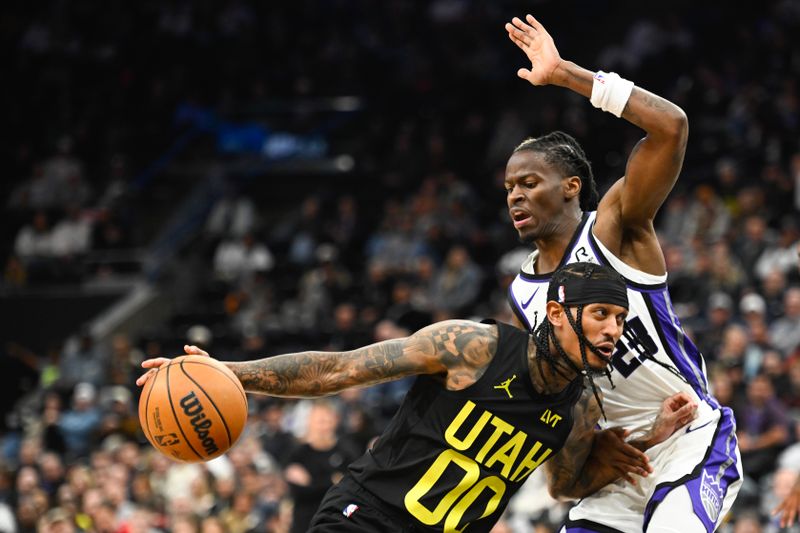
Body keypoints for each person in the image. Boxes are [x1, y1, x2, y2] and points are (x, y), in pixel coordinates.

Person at [137, 262, 696, 533]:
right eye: (601, 314)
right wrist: (229, 373)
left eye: (620, 319)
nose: (613, 331)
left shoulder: (580, 409)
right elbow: (338, 370)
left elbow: (564, 486)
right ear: (557, 313)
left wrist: (646, 440)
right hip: (368, 518)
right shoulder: (473, 347)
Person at [502, 14, 741, 532]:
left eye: (528, 181)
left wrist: (567, 74)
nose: (515, 195)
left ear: (570, 186)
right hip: (625, 462)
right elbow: (564, 398)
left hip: (690, 441)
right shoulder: (522, 293)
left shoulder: (614, 228)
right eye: (508, 188)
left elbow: (671, 126)